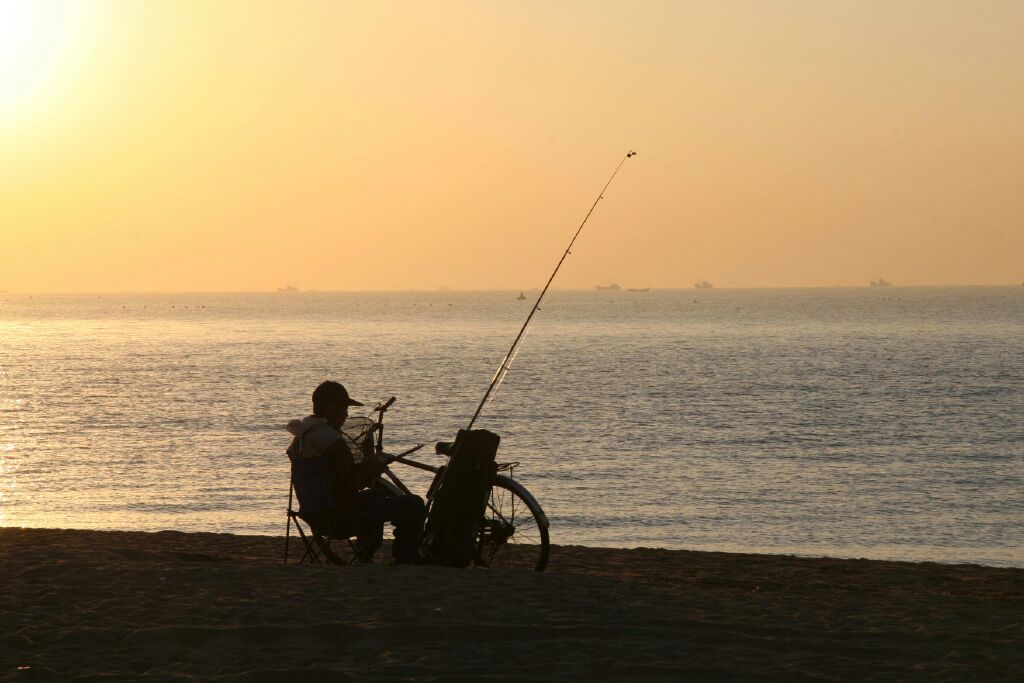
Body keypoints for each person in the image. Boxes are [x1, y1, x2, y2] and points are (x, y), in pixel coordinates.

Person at [286, 380, 426, 564]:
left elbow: (330, 478)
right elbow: (347, 486)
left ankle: (366, 556)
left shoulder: (301, 439)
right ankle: (405, 559)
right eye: (343, 408)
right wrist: (371, 469)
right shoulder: (333, 442)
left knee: (376, 495)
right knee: (414, 504)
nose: (346, 415)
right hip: (341, 518)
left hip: (315, 516)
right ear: (330, 408)